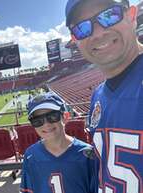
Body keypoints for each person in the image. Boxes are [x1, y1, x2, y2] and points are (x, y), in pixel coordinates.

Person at [65, 0, 143, 192]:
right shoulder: (98, 95)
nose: (98, 33)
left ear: (132, 15)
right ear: (75, 40)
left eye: (109, 15)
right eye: (82, 28)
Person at [20, 92, 98, 193]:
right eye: (37, 120)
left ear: (65, 116)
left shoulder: (87, 154)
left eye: (52, 116)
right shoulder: (31, 156)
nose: (46, 124)